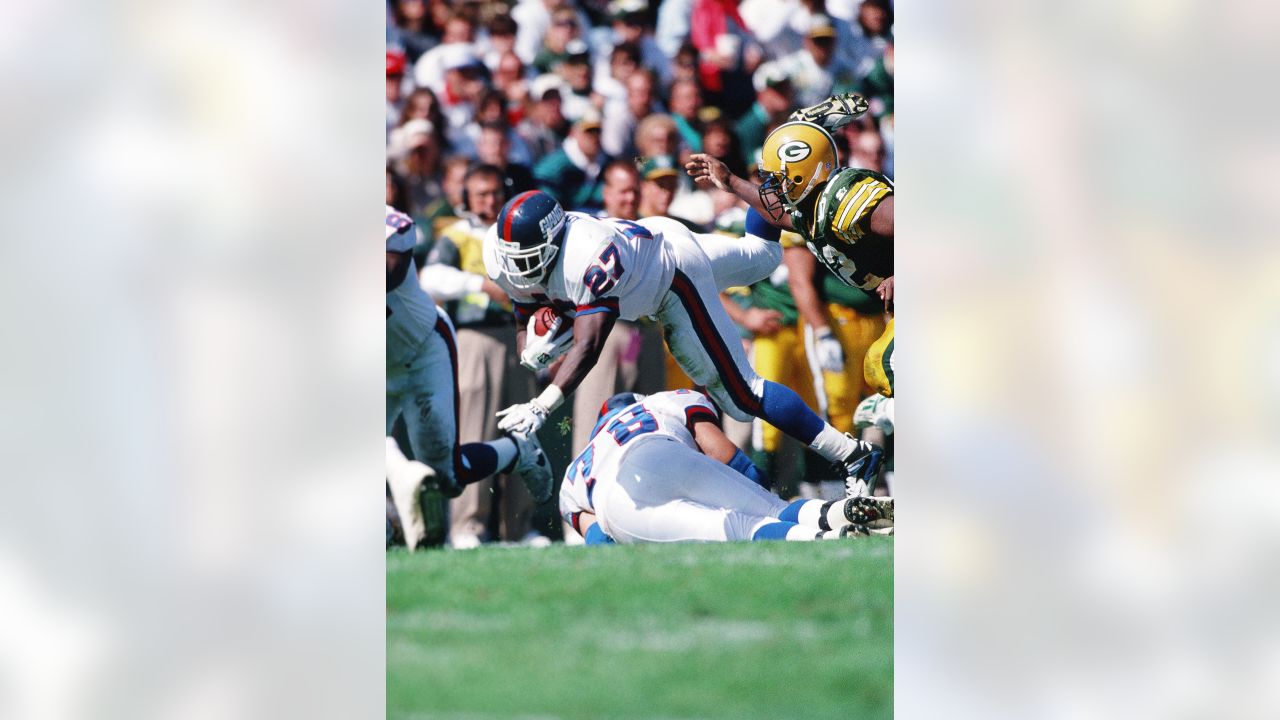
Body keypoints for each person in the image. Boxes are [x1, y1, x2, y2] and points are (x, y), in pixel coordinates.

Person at [482, 190, 883, 497]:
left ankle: (851, 454)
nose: (519, 268)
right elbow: (523, 309)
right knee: (762, 254)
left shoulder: (586, 253)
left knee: (744, 396)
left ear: (554, 240)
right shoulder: (507, 257)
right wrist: (530, 350)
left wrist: (543, 403)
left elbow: (590, 344)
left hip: (670, 279)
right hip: (660, 238)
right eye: (514, 259)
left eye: (529, 257)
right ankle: (773, 181)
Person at [385, 204, 553, 550]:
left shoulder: (390, 229)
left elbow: (390, 263)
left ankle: (516, 451)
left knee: (450, 476)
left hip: (423, 352)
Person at [561, 391, 893, 543]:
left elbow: (599, 541)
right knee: (773, 508)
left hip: (616, 496)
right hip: (663, 449)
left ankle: (829, 539)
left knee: (738, 530)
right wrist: (754, 486)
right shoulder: (660, 401)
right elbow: (722, 451)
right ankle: (839, 512)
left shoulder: (577, 468)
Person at [422, 166, 547, 548]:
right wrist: (479, 285)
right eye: (480, 194)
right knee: (474, 426)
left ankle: (519, 526)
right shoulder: (458, 235)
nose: (489, 201)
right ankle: (468, 526)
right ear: (466, 198)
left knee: (523, 428)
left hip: (519, 336)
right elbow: (430, 277)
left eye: (494, 193)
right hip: (474, 336)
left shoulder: (515, 229)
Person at [686, 94, 893, 294]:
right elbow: (783, 218)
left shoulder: (845, 198)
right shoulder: (814, 207)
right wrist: (731, 181)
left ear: (802, 176)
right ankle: (805, 130)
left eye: (776, 179)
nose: (770, 187)